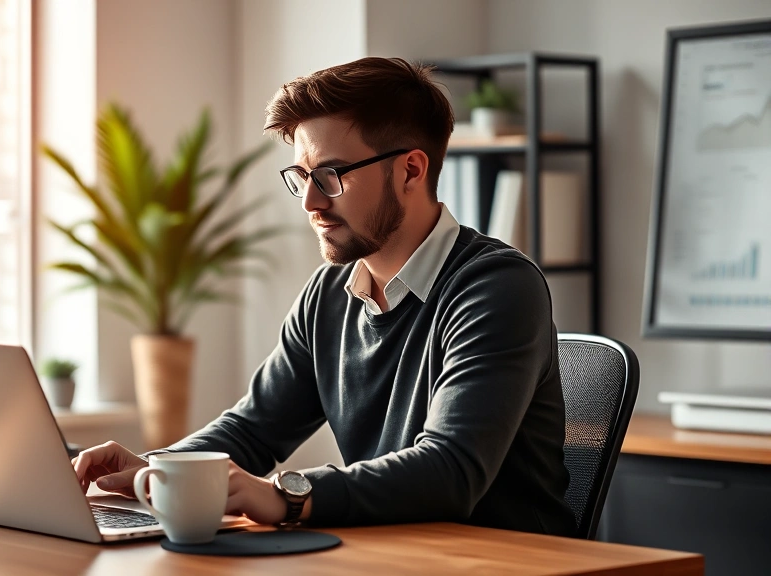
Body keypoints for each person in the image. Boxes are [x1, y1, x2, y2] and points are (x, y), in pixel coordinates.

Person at [72, 56, 577, 535]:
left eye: (331, 175)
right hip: (390, 554)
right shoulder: (329, 293)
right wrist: (160, 470)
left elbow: (451, 470)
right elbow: (252, 430)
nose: (311, 202)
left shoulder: (497, 288)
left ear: (410, 170)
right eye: (301, 177)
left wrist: (288, 497)